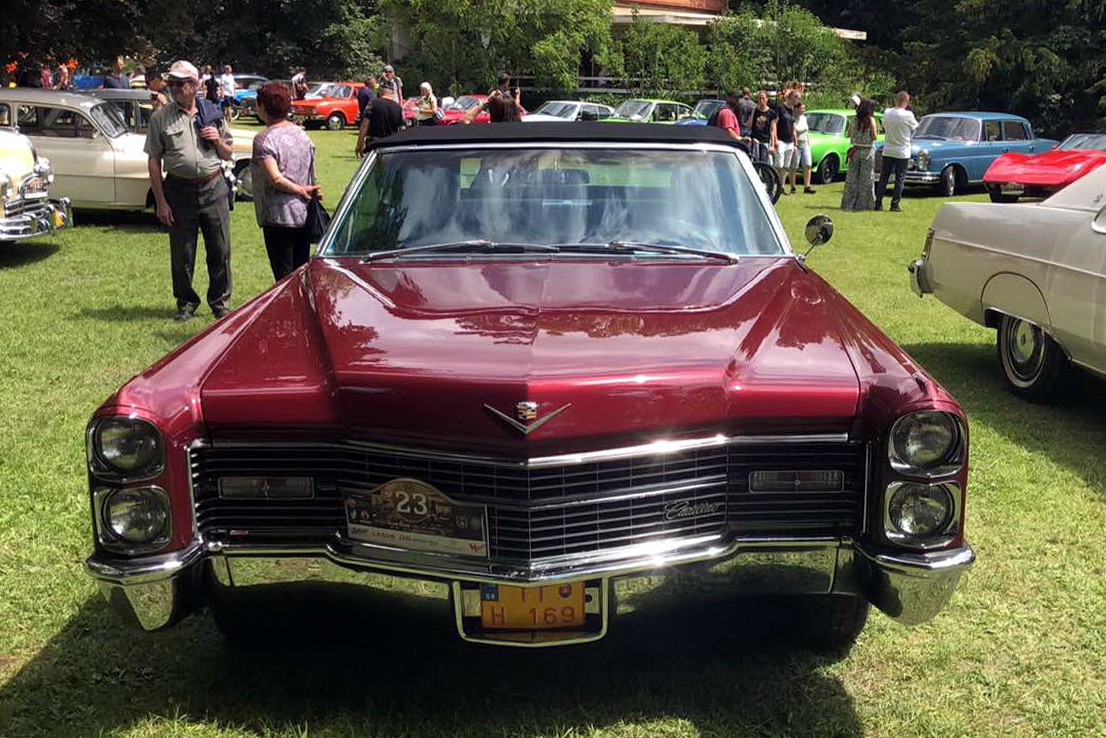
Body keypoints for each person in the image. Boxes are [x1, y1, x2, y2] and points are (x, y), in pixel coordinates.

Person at [145, 60, 234, 321]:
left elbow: (228, 153)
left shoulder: (213, 113)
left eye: (180, 83)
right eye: (171, 83)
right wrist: (161, 201)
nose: (173, 88)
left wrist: (217, 140)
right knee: (182, 252)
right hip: (179, 189)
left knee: (220, 248)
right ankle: (185, 302)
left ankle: (220, 302)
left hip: (213, 186)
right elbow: (153, 160)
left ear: (195, 85)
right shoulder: (161, 118)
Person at [252, 82, 321, 281]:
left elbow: (275, 178)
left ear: (263, 107)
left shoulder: (264, 139)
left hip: (278, 217)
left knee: (283, 279)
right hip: (303, 213)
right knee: (301, 273)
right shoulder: (302, 134)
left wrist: (298, 189)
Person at [875, 91, 919, 212]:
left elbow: (884, 125)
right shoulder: (908, 115)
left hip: (888, 149)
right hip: (902, 150)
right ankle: (894, 204)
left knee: (884, 177)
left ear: (896, 100)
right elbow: (915, 127)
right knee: (899, 178)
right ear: (906, 102)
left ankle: (878, 203)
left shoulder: (887, 112)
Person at [840, 98, 879, 210]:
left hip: (855, 150)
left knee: (852, 178)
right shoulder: (871, 120)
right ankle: (864, 204)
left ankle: (848, 203)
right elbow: (874, 136)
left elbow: (849, 134)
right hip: (867, 151)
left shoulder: (854, 120)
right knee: (866, 179)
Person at [355, 86, 405, 156]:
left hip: (374, 143)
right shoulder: (398, 107)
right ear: (392, 93)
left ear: (381, 92)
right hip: (391, 144)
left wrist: (360, 143)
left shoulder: (373, 103)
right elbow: (402, 128)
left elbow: (364, 125)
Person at [775, 90, 798, 194]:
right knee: (779, 165)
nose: (798, 101)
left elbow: (793, 125)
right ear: (792, 97)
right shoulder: (780, 107)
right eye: (797, 98)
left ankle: (782, 187)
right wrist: (775, 139)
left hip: (790, 141)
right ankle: (777, 185)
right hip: (780, 139)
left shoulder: (792, 110)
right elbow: (774, 123)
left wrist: (795, 141)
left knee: (785, 166)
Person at [792, 101, 816, 194]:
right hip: (797, 145)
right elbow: (794, 132)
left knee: (808, 165)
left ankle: (807, 187)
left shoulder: (804, 118)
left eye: (804, 108)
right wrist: (795, 144)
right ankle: (793, 187)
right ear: (796, 108)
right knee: (794, 167)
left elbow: (806, 132)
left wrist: (808, 143)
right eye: (801, 108)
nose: (803, 110)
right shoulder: (793, 119)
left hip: (805, 144)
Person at [747, 90, 777, 164]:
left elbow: (772, 130)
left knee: (764, 163)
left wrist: (773, 145)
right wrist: (753, 112)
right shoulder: (754, 111)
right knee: (754, 163)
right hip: (755, 140)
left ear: (767, 99)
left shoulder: (771, 113)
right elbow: (749, 126)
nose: (761, 100)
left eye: (763, 98)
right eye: (760, 98)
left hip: (765, 141)